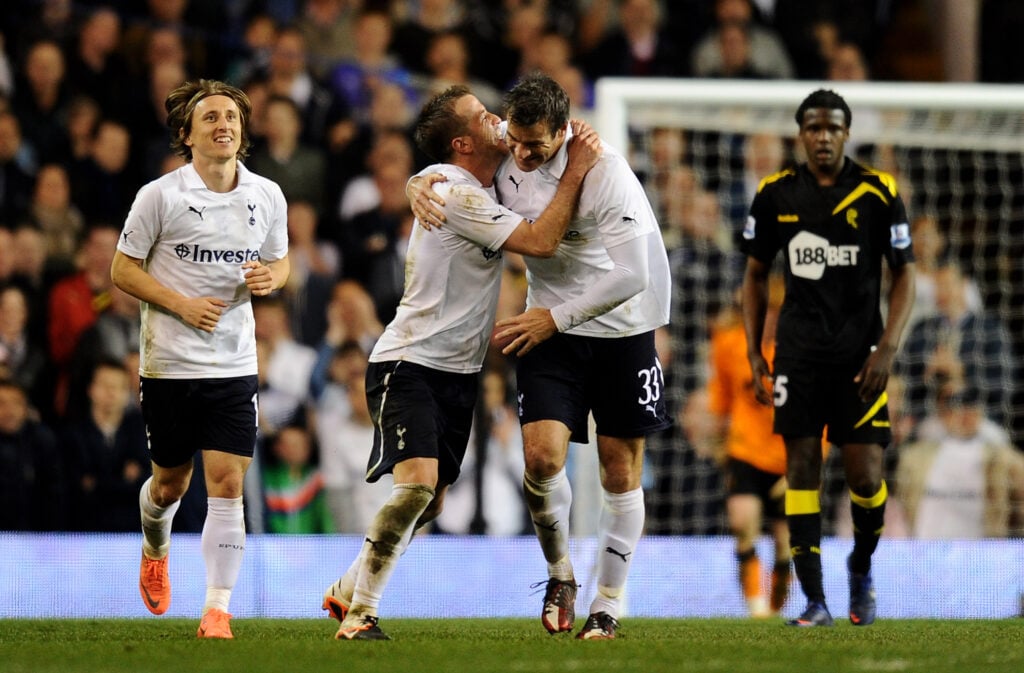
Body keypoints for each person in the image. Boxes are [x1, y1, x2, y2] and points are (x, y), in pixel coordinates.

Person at [321, 83, 602, 641]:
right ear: (461, 142)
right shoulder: (454, 190)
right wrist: (579, 171)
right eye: (481, 116)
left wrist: (413, 181)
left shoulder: (473, 182)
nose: (496, 118)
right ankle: (361, 616)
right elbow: (542, 241)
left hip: (458, 372)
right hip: (411, 361)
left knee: (428, 501)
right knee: (419, 487)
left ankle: (350, 585)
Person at [410, 73, 672, 640]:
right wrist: (417, 181)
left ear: (563, 132)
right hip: (550, 329)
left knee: (620, 471)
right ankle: (561, 575)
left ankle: (608, 603)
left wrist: (554, 316)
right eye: (516, 139)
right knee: (540, 459)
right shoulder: (509, 140)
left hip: (623, 331)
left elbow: (634, 275)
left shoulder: (606, 172)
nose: (521, 154)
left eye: (536, 145)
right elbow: (450, 161)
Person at [110, 78, 290, 639]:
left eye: (232, 117)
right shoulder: (159, 195)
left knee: (228, 483)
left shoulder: (267, 195)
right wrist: (183, 305)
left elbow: (281, 263)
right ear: (187, 135)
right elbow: (122, 270)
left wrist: (269, 278)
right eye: (210, 117)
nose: (223, 125)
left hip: (234, 364)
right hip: (168, 365)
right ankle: (155, 545)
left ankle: (217, 608)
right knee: (169, 485)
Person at [740, 88, 916, 627]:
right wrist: (754, 350)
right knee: (801, 468)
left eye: (833, 128)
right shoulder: (774, 195)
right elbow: (753, 274)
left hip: (862, 357)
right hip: (799, 354)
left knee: (865, 476)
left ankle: (861, 568)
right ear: (801, 134)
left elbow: (906, 273)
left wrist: (888, 348)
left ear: (846, 132)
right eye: (813, 128)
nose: (823, 137)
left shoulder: (878, 191)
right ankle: (814, 601)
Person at [684, 276, 798, 618]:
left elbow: (818, 416)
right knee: (742, 522)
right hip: (745, 451)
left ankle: (778, 590)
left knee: (784, 542)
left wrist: (805, 468)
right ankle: (755, 606)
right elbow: (722, 399)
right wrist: (713, 434)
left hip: (788, 458)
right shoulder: (730, 344)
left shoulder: (802, 352)